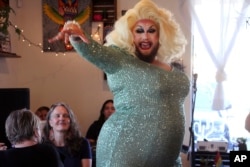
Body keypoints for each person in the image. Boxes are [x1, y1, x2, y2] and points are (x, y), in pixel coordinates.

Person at [48, 0, 190, 166]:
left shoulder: (170, 66)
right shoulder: (120, 60)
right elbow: (93, 50)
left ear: (161, 35)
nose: (145, 36)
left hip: (168, 159)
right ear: (130, 35)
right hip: (123, 150)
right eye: (139, 31)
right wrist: (74, 31)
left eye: (152, 31)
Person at [43, 102, 92, 167]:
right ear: (50, 122)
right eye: (57, 116)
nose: (62, 118)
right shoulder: (43, 146)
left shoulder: (83, 143)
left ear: (70, 121)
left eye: (65, 116)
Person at [86, 99, 115, 167]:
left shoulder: (122, 126)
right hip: (98, 155)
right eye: (107, 108)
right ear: (103, 111)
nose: (109, 111)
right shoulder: (95, 126)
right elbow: (88, 143)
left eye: (113, 108)